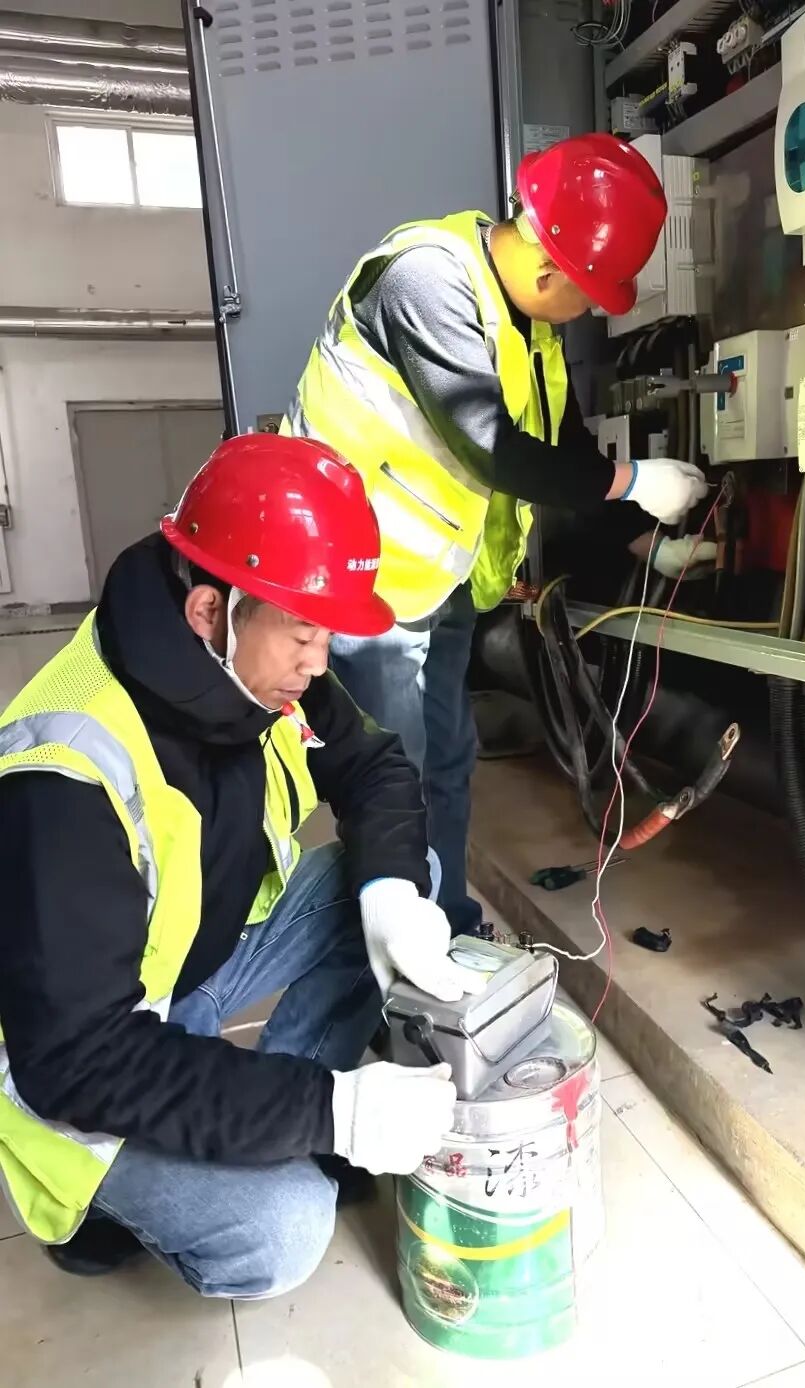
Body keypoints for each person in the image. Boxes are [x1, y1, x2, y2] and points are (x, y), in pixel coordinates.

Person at [0, 433, 480, 1298]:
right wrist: (329, 1111)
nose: (319, 662)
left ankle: (281, 1111)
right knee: (282, 1232)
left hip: (196, 964)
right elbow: (77, 1058)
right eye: (304, 633)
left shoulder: (257, 658)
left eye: (325, 633)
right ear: (208, 612)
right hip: (82, 1053)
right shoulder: (63, 778)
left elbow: (374, 766)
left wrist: (391, 896)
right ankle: (110, 1210)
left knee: (412, 878)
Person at [284, 132, 710, 937]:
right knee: (395, 779)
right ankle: (393, 961)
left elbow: (566, 450)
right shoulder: (424, 283)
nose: (588, 313)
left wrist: (645, 539)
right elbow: (491, 444)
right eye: (590, 296)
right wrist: (635, 481)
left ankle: (443, 922)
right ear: (551, 271)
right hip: (366, 586)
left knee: (447, 762)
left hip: (439, 584)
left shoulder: (532, 327)